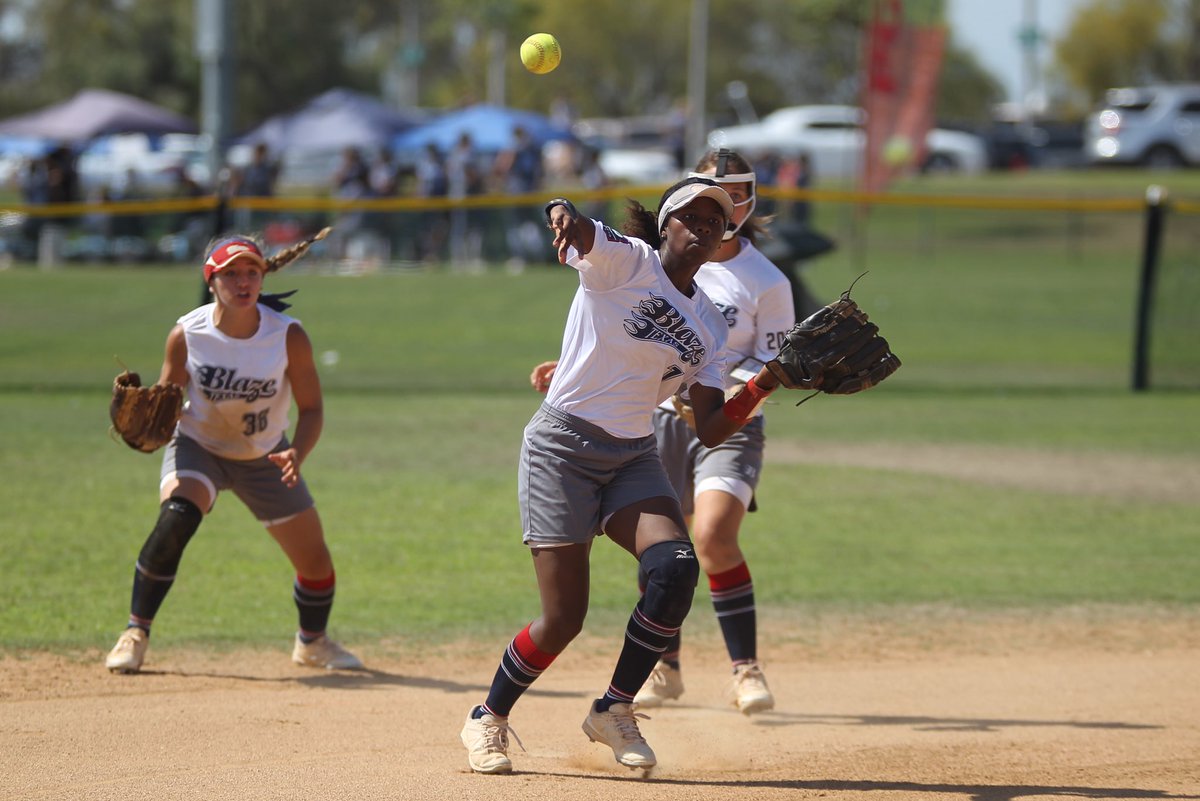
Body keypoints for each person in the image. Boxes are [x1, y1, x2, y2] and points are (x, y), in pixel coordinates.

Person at [459, 177, 791, 775]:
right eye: (692, 215)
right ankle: (489, 717)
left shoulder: (711, 326)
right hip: (561, 446)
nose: (705, 225)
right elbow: (582, 228)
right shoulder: (628, 262)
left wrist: (767, 381)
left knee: (676, 569)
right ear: (667, 224)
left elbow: (712, 427)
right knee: (563, 618)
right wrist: (561, 211)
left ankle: (613, 708)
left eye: (717, 220)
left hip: (632, 454)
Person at [531, 149, 795, 717]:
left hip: (712, 419)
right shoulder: (643, 259)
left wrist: (760, 382)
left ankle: (739, 669)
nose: (707, 219)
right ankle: (662, 669)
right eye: (699, 203)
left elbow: (733, 386)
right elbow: (618, 327)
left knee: (706, 541)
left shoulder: (762, 281)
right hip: (640, 425)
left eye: (724, 203)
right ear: (672, 213)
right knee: (640, 570)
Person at [104, 235, 362, 674]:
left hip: (267, 454)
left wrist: (298, 450)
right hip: (198, 446)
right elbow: (167, 403)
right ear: (211, 280)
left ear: (263, 278)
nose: (242, 282)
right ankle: (135, 632)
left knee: (315, 561)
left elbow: (312, 408)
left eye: (251, 273)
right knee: (178, 516)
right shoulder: (187, 334)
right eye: (230, 273)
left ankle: (311, 643)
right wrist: (150, 429)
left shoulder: (288, 336)